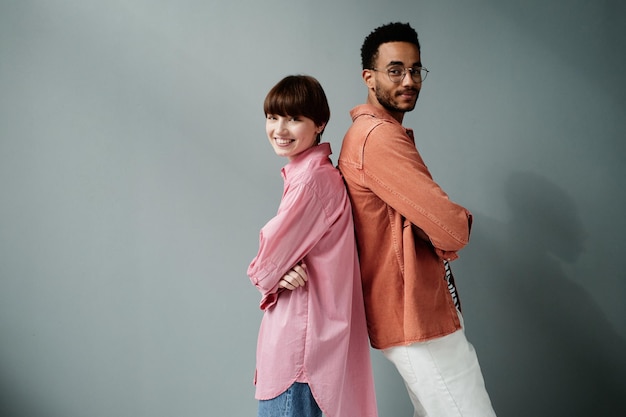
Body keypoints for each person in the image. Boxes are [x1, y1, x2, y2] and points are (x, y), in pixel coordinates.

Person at [337, 22, 497, 417]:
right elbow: (453, 228)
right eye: (395, 70)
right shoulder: (378, 138)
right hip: (416, 318)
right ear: (368, 77)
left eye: (415, 70)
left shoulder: (377, 134)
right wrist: (450, 221)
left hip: (418, 314)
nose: (408, 80)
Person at [248, 75, 378, 417]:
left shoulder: (312, 181)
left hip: (299, 355)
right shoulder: (311, 175)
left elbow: (265, 263)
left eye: (294, 118)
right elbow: (276, 262)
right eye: (273, 117)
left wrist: (270, 272)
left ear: (320, 123)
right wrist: (276, 270)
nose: (280, 128)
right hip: (306, 351)